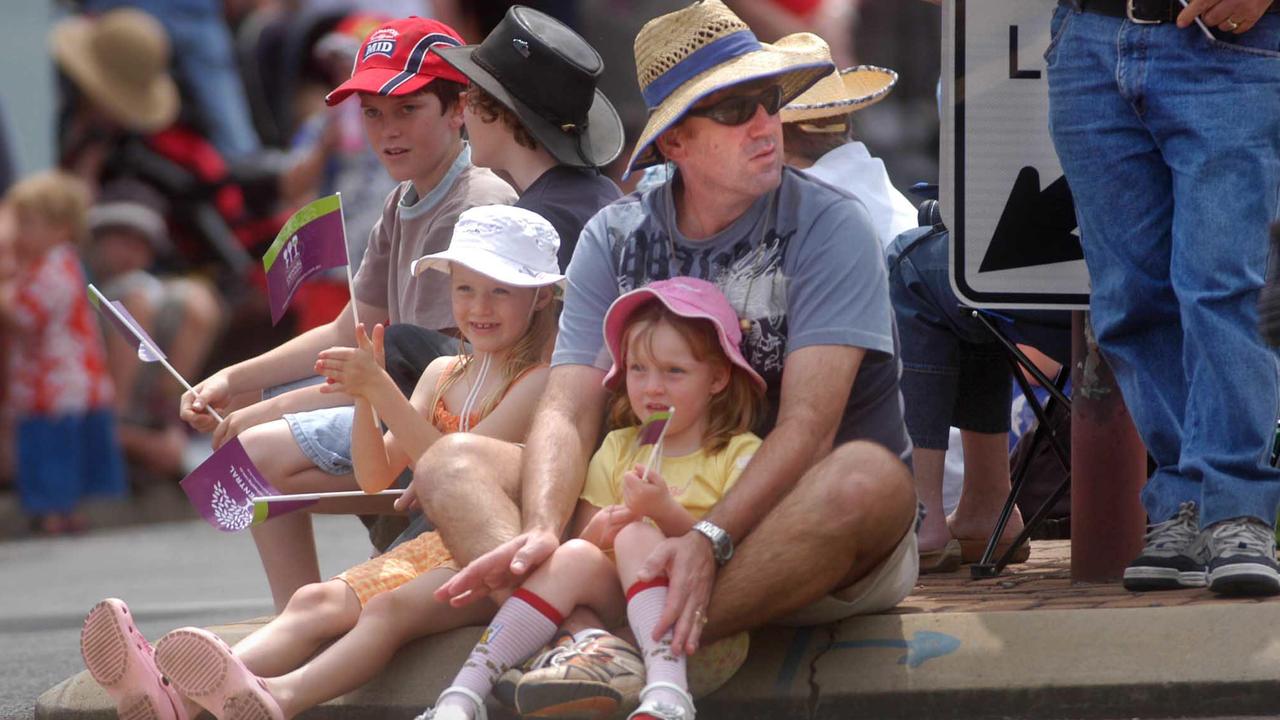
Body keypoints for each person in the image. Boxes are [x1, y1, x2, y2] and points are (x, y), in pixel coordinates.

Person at [402, 1, 919, 712]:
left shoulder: (831, 223)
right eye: (737, 109)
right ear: (673, 142)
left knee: (869, 478)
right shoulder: (613, 235)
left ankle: (592, 638)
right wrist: (546, 530)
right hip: (631, 527)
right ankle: (602, 643)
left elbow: (809, 428)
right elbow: (566, 405)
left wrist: (710, 536)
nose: (768, 123)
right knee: (448, 464)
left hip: (788, 534)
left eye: (768, 100)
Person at [80, 205, 563, 720]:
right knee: (313, 601)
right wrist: (363, 398)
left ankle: (270, 699)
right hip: (427, 547)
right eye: (466, 289)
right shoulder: (443, 370)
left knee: (384, 611)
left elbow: (453, 470)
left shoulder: (539, 381)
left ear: (538, 298)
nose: (479, 306)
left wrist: (381, 389)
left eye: (500, 290)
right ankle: (169, 694)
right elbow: (377, 474)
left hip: (487, 551)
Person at [178, 16, 518, 610]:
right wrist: (235, 379)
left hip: (455, 429)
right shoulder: (403, 199)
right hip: (402, 405)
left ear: (458, 108)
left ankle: (297, 620)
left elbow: (426, 371)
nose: (387, 130)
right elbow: (346, 331)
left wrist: (271, 406)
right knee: (246, 434)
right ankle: (298, 615)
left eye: (407, 109)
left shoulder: (478, 202)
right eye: (372, 113)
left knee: (252, 448)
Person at [422, 278, 764, 720]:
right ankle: (461, 696)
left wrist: (664, 513)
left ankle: (670, 694)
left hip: (702, 632)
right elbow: (587, 541)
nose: (652, 388)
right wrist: (605, 526)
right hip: (620, 615)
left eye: (674, 372)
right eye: (639, 370)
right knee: (580, 553)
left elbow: (733, 553)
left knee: (639, 536)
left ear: (717, 377)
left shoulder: (738, 453)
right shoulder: (622, 446)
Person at [1046, 0, 1280, 595]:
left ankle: (1237, 507)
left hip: (1227, 38)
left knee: (1223, 285)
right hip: (1089, 37)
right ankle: (1188, 503)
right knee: (1129, 300)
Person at [432, 4, 624, 267]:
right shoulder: (602, 189)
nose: (463, 113)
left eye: (472, 95)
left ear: (499, 113)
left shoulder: (534, 225)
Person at [0, 171, 126, 534]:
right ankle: (63, 510)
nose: (19, 233)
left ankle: (57, 511)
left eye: (27, 223)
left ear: (60, 229)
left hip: (58, 384)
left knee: (52, 450)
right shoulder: (49, 262)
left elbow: (26, 316)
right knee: (57, 448)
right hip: (55, 380)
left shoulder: (56, 266)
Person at [87, 179, 224, 481]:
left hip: (151, 409)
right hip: (86, 405)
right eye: (122, 237)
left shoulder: (151, 288)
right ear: (98, 237)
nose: (132, 252)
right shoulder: (75, 271)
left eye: (142, 242)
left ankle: (167, 418)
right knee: (132, 297)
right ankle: (120, 426)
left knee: (198, 299)